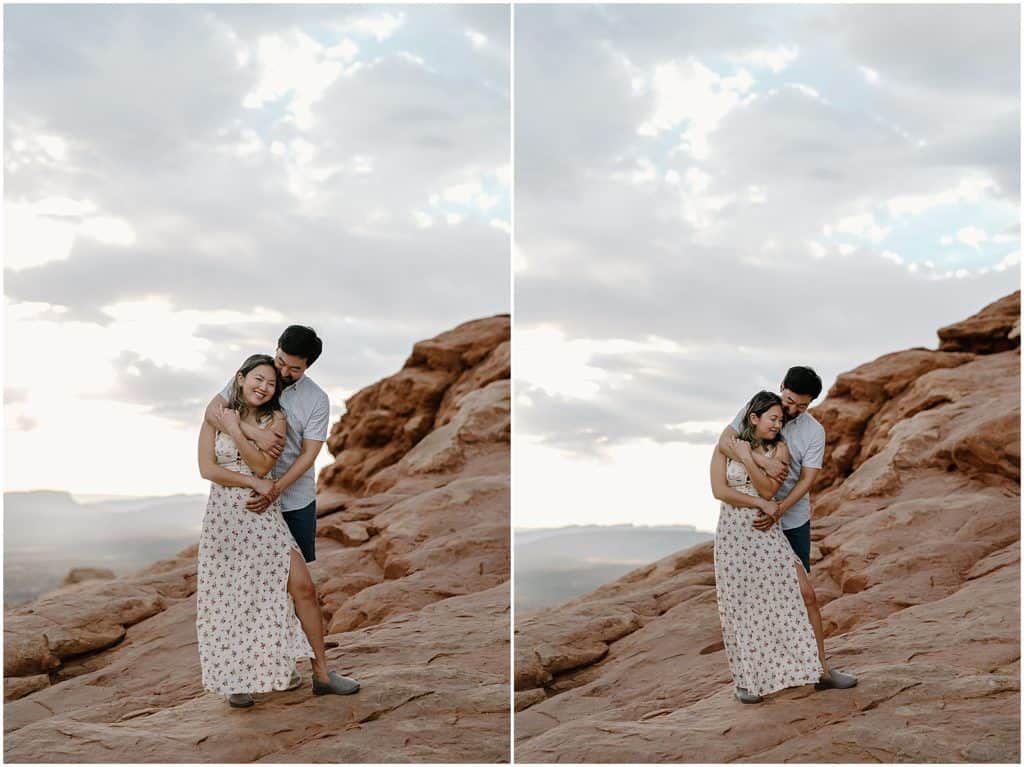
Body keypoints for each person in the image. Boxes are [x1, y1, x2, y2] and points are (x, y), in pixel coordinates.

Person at [203, 327, 359, 705]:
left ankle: (319, 673)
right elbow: (213, 414)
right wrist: (245, 431)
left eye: (294, 369)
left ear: (307, 367)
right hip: (245, 502)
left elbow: (308, 456)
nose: (283, 373)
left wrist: (273, 487)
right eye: (280, 363)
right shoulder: (256, 376)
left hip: (293, 499)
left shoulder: (315, 400)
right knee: (246, 588)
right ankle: (254, 672)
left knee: (296, 588)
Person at [710, 386, 856, 704]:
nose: (778, 424)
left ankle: (821, 671)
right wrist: (751, 466)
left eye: (780, 419)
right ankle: (747, 680)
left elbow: (766, 492)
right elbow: (719, 490)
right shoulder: (728, 445)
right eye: (773, 418)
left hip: (767, 535)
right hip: (734, 536)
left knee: (805, 593)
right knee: (741, 606)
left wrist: (752, 465)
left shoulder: (781, 451)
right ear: (754, 418)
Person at [196, 354, 314, 707]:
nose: (263, 387)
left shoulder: (275, 419)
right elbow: (207, 469)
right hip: (223, 517)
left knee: (275, 589)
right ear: (240, 378)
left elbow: (264, 465)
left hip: (262, 515)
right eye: (257, 379)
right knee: (229, 597)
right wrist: (248, 477)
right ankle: (236, 679)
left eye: (271, 383)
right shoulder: (215, 414)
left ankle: (280, 664)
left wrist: (236, 428)